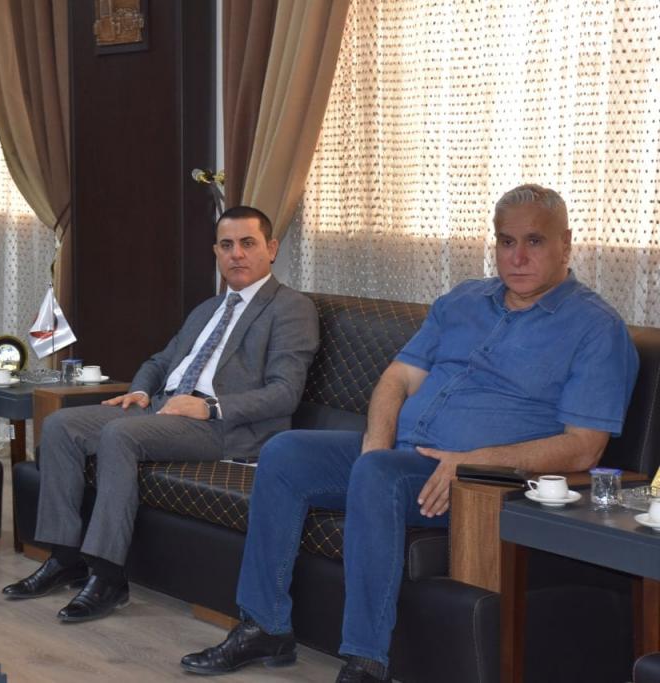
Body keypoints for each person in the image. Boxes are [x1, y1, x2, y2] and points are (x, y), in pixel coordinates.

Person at [180, 185, 640, 681]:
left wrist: (473, 462)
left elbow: (584, 447)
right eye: (507, 242)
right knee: (286, 453)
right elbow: (396, 380)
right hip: (399, 458)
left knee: (379, 474)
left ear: (566, 243)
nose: (518, 257)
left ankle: (366, 661)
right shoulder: (463, 301)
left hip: (482, 481)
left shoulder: (595, 328)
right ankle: (264, 625)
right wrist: (375, 444)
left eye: (535, 241)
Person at [2, 206, 321, 622]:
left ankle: (108, 576)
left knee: (120, 436)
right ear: (216, 252)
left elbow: (284, 393)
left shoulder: (291, 308)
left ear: (272, 248)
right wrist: (139, 391)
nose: (237, 254)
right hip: (162, 409)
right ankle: (64, 557)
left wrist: (209, 406)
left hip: (224, 427)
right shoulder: (208, 309)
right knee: (61, 425)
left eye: (248, 243)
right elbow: (161, 360)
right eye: (227, 245)